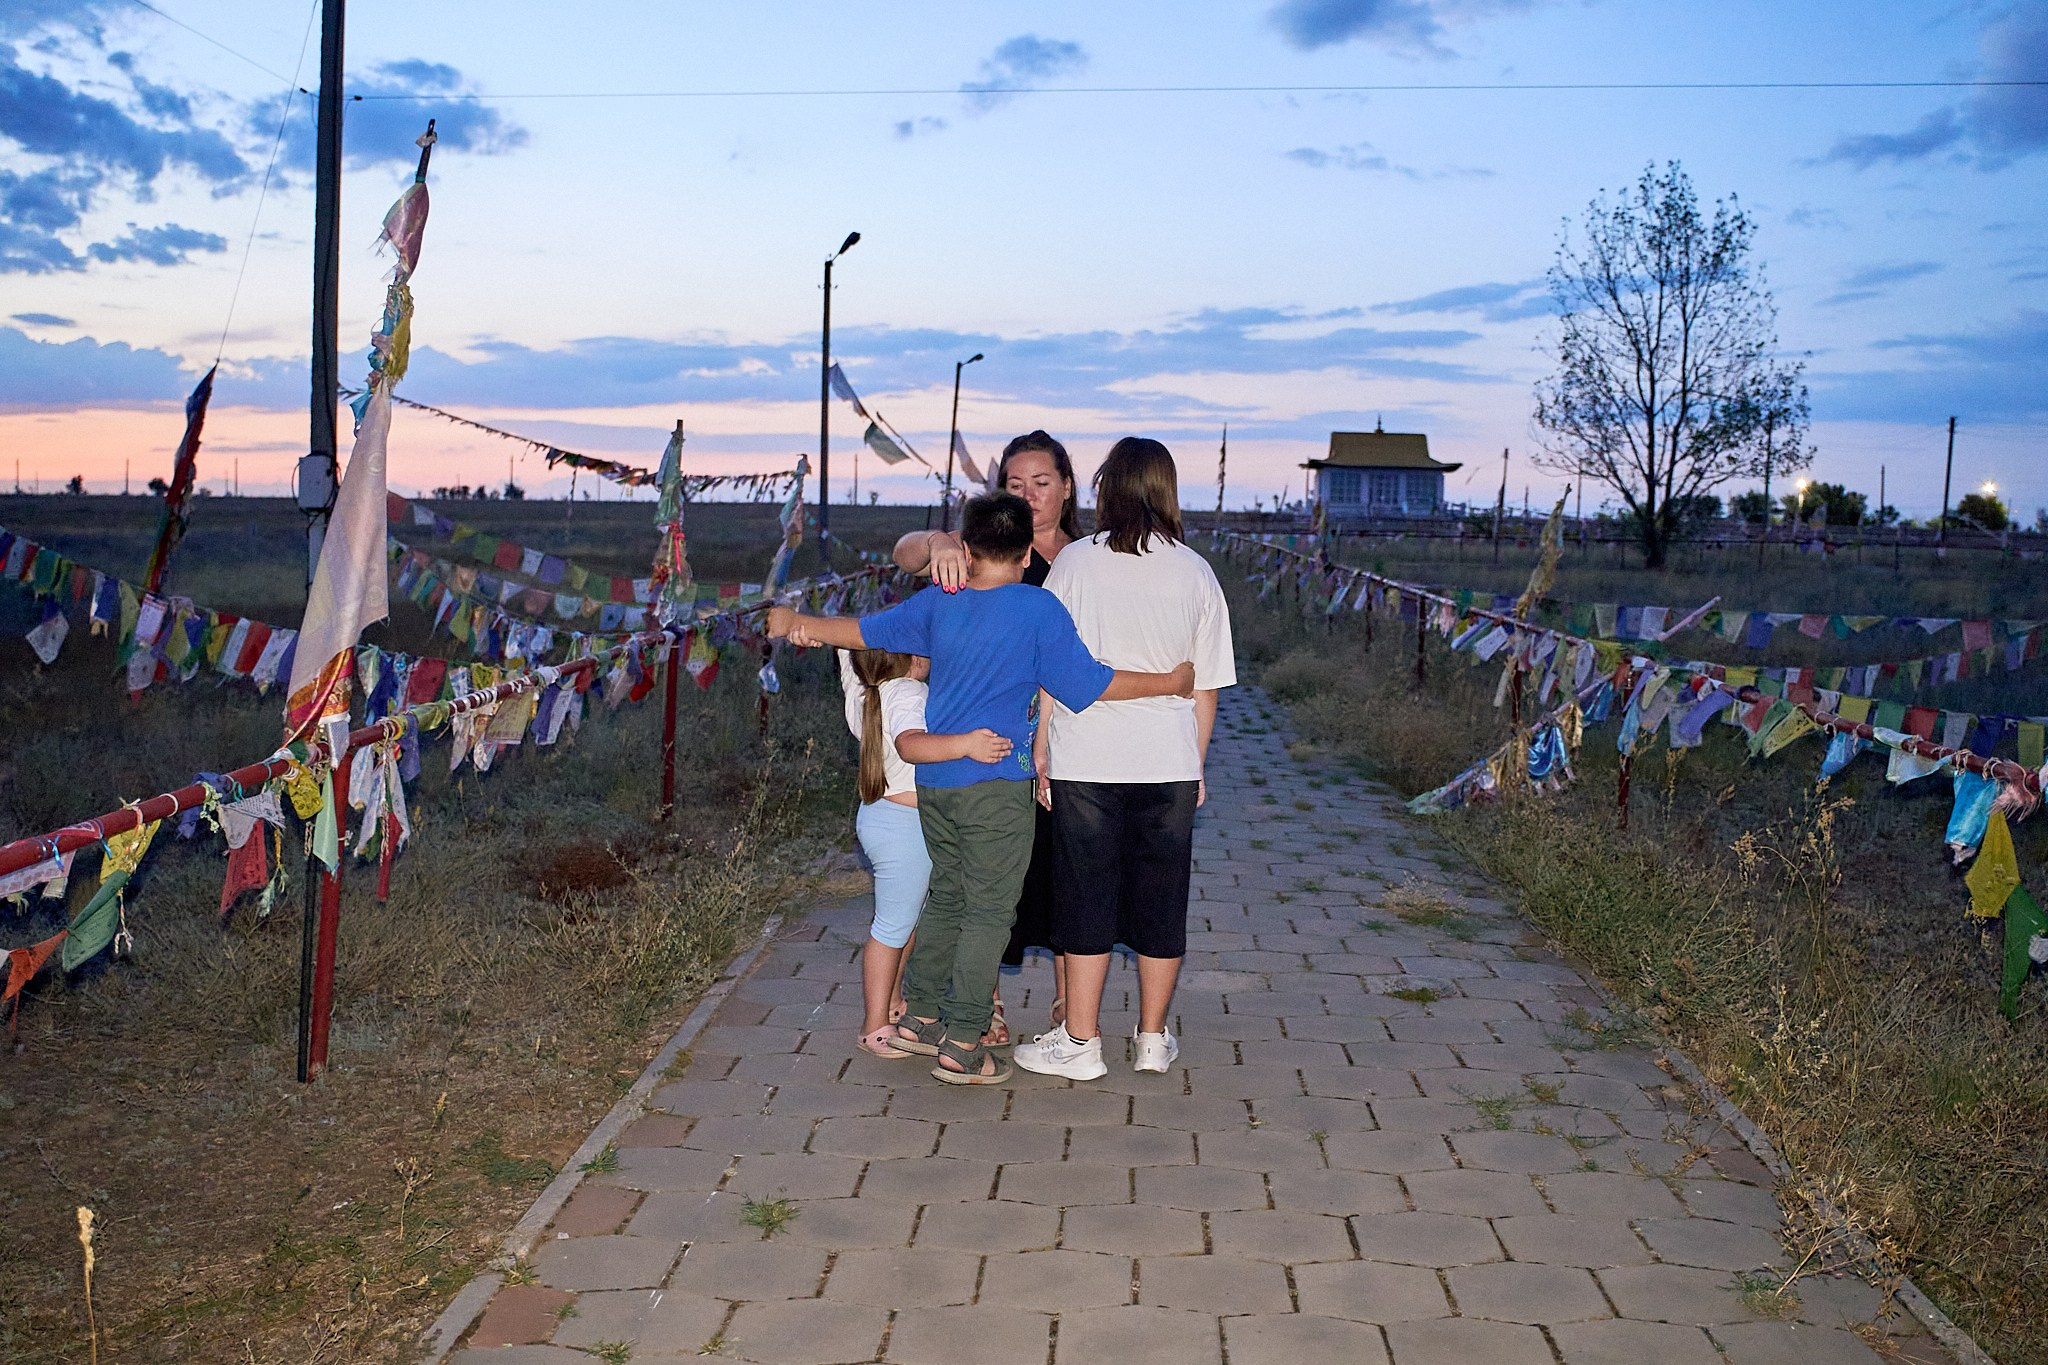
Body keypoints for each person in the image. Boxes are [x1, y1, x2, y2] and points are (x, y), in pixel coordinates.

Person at [769, 491, 1194, 1085]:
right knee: (989, 912)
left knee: (947, 897)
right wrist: (1169, 681)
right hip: (994, 788)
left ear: (966, 552)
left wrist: (798, 624)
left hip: (937, 786)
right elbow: (1087, 684)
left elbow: (862, 631)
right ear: (1026, 556)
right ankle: (963, 1039)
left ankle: (918, 1018)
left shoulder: (938, 604)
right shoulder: (1037, 609)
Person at [1012, 437, 1236, 1082]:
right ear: (1167, 490)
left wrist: (1043, 749)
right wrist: (1195, 763)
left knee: (1085, 898)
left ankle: (1080, 1042)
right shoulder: (1196, 571)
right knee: (1162, 901)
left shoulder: (1077, 564)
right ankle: (1152, 1038)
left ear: (1106, 488)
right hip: (1166, 762)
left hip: (1089, 757)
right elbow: (1205, 685)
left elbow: (1053, 669)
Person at [893, 430, 1082, 1026]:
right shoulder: (975, 552)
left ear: (1067, 488)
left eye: (1042, 483)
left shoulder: (1088, 558)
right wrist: (942, 540)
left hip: (1063, 742)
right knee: (982, 887)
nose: (1028, 496)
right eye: (1015, 485)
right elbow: (903, 553)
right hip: (987, 758)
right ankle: (983, 1006)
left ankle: (1067, 1001)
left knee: (1064, 873)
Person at [837, 647, 1017, 1058]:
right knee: (891, 929)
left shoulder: (865, 691)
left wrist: (827, 636)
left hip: (881, 816)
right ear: (912, 659)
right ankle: (874, 1027)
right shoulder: (908, 693)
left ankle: (895, 1005)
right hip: (905, 828)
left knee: (907, 922)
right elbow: (913, 744)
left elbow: (849, 650)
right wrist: (966, 744)